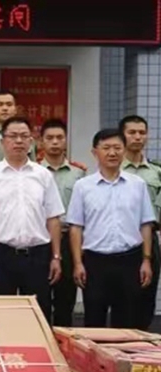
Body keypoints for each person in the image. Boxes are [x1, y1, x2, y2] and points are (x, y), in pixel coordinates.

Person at [0, 117, 64, 322]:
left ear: (31, 142)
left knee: (40, 314)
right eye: (13, 136)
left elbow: (53, 218)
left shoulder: (43, 175)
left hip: (38, 254)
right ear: (3, 142)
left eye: (24, 136)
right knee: (0, 314)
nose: (18, 141)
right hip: (1, 254)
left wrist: (56, 257)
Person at [67, 129, 155, 328]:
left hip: (129, 259)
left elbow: (146, 224)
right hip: (95, 261)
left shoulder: (137, 184)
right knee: (94, 318)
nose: (112, 153)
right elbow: (76, 227)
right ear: (95, 152)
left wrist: (146, 260)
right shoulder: (83, 186)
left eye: (117, 148)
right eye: (106, 148)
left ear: (124, 150)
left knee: (127, 320)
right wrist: (78, 263)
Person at [38, 119, 86, 326]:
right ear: (41, 142)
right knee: (40, 296)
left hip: (68, 239)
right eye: (49, 138)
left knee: (65, 298)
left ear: (66, 141)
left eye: (59, 138)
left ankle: (63, 339)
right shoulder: (34, 172)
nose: (55, 142)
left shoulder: (78, 173)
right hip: (40, 239)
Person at [120, 115, 161, 330]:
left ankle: (142, 340)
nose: (137, 137)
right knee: (121, 298)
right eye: (132, 132)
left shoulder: (156, 172)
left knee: (147, 297)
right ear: (122, 136)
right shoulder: (113, 170)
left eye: (142, 133)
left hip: (149, 238)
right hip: (120, 238)